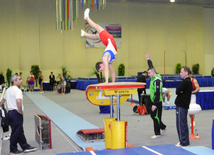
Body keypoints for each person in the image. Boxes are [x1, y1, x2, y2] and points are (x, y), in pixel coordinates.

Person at [0, 74, 37, 154]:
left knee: (19, 130)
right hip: (16, 113)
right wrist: (20, 111)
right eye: (19, 79)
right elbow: (18, 101)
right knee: (16, 132)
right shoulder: (17, 90)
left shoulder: (8, 89)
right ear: (15, 81)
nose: (21, 81)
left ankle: (25, 146)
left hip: (10, 113)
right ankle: (12, 150)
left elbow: (3, 100)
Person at [81, 8, 117, 83]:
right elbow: (112, 72)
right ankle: (84, 33)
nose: (103, 70)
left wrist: (106, 81)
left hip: (109, 39)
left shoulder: (104, 58)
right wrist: (113, 83)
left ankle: (86, 17)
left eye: (101, 69)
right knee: (97, 36)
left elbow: (106, 69)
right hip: (108, 42)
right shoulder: (109, 62)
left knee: (96, 26)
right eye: (101, 71)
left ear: (101, 64)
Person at [145, 52, 167, 138]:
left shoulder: (157, 80)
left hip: (157, 101)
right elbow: (151, 66)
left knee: (156, 117)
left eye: (149, 73)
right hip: (152, 99)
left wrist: (154, 104)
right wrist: (148, 59)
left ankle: (157, 133)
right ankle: (163, 127)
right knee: (153, 115)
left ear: (153, 72)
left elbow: (158, 93)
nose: (148, 74)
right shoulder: (154, 75)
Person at [175, 66, 192, 147]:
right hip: (181, 105)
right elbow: (179, 91)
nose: (180, 73)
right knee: (181, 123)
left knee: (181, 124)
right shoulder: (186, 82)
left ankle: (183, 142)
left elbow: (177, 90)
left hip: (182, 105)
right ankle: (184, 141)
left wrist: (180, 91)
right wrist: (180, 91)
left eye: (181, 72)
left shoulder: (186, 82)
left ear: (186, 73)